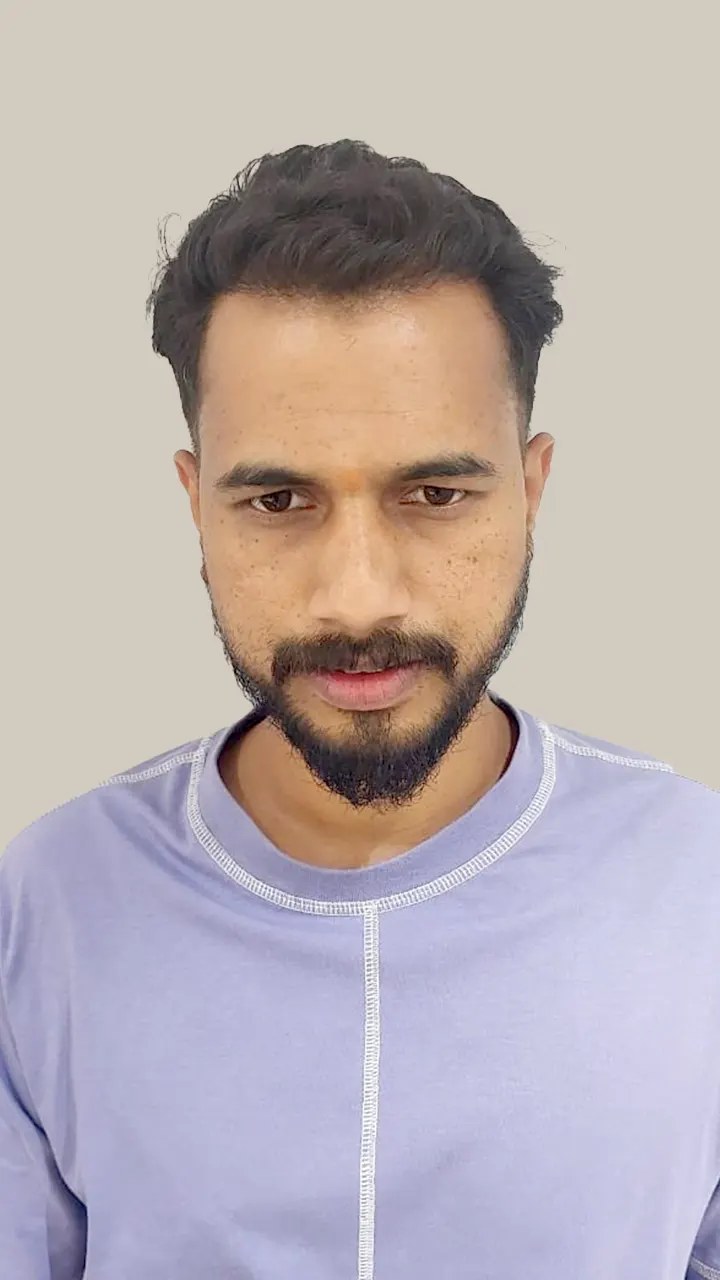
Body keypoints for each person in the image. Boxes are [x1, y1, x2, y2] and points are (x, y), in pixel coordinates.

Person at [1, 140, 718, 1280]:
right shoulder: (42, 911)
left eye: (435, 493)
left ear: (531, 489)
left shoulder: (699, 891)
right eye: (278, 500)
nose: (358, 597)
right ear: (196, 505)